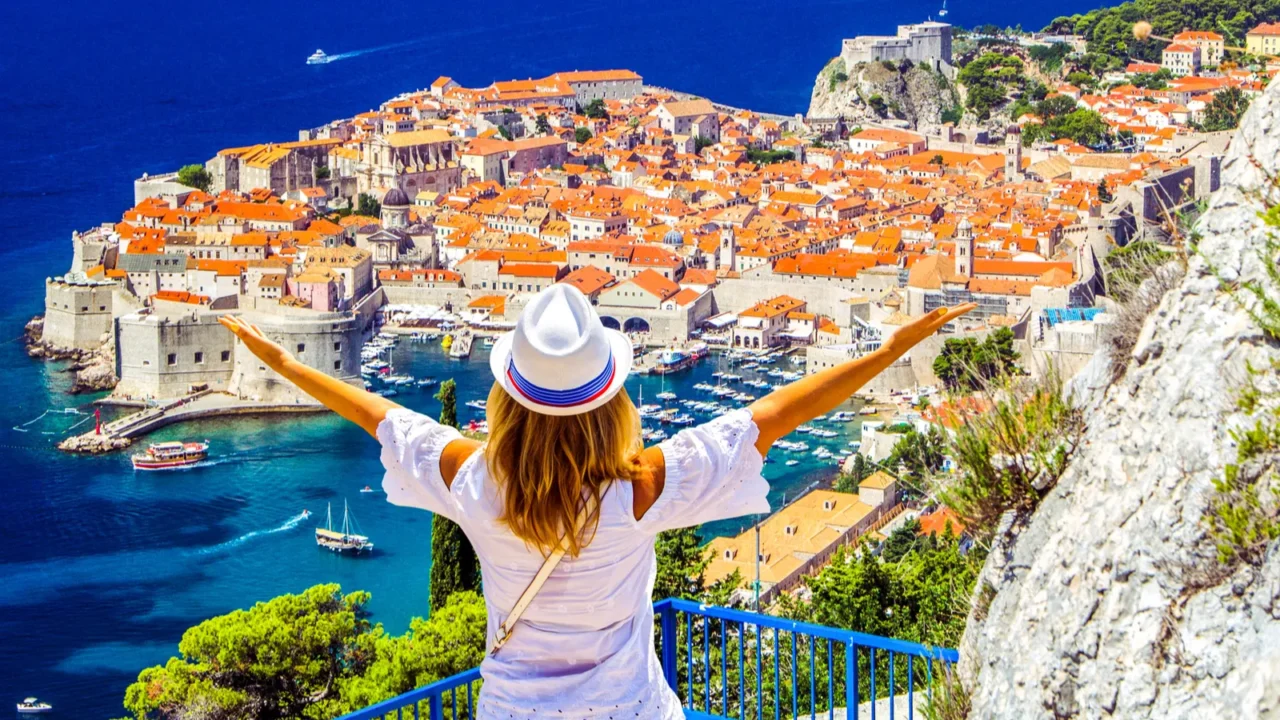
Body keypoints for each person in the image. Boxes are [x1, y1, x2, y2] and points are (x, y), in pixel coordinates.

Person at [219, 286, 973, 719]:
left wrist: (283, 361)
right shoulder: (642, 487)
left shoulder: (475, 481)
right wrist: (885, 352)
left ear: (507, 396)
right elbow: (777, 412)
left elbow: (374, 413)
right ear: (609, 399)